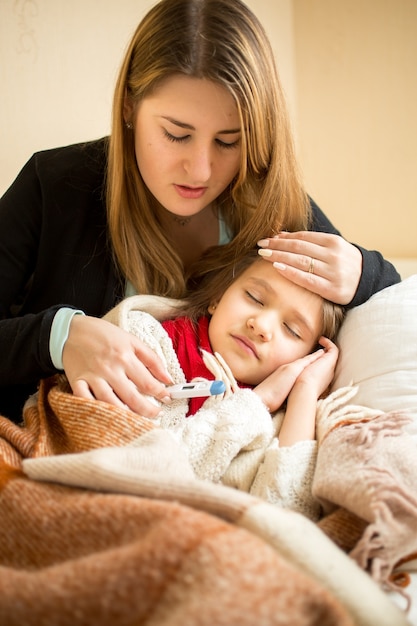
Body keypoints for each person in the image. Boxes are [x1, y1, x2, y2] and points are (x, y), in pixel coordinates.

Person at [0, 0, 400, 425]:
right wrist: (57, 337)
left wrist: (363, 271)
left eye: (228, 141)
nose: (201, 170)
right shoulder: (56, 183)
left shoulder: (268, 201)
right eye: (176, 134)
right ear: (129, 107)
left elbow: (390, 299)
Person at [104, 252, 344, 519]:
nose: (261, 325)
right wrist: (259, 401)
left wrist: (305, 391)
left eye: (292, 330)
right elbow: (137, 473)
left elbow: (286, 517)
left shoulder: (281, 420)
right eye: (255, 298)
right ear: (218, 298)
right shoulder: (145, 341)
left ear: (306, 357)